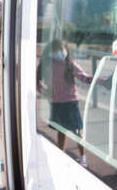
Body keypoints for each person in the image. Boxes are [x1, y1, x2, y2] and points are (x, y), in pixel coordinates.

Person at [37, 39, 94, 167]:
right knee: (61, 131)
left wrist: (99, 80)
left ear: (66, 50)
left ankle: (83, 156)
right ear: (51, 52)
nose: (60, 53)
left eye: (62, 50)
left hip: (70, 102)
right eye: (57, 50)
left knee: (77, 131)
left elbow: (84, 77)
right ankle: (60, 155)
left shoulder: (70, 64)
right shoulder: (48, 65)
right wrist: (45, 92)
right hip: (57, 103)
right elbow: (37, 82)